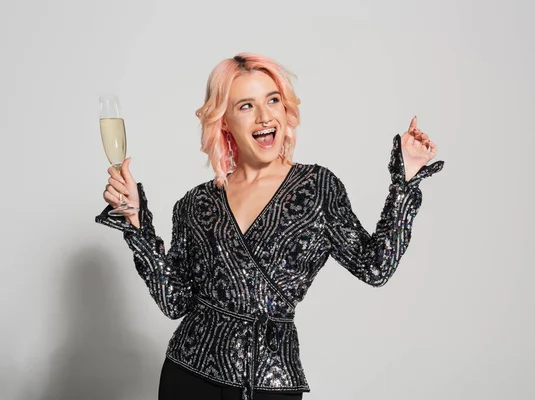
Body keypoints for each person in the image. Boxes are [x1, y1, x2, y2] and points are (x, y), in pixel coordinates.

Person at [96, 53, 445, 400]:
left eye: (273, 100)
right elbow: (175, 301)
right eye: (246, 106)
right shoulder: (196, 204)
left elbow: (375, 267)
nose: (265, 116)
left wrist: (406, 182)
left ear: (285, 109)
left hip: (270, 383)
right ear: (224, 121)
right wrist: (135, 221)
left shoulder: (316, 188)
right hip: (188, 375)